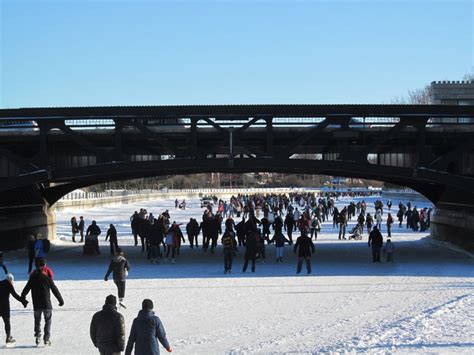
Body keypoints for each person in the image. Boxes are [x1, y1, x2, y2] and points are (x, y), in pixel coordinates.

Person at [21, 262, 64, 346]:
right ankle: (46, 339)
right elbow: (55, 290)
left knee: (37, 320)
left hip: (36, 305)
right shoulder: (47, 278)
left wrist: (23, 300)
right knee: (48, 321)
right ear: (44, 266)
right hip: (47, 304)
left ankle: (37, 336)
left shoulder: (32, 278)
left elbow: (25, 291)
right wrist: (60, 300)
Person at [0, 273, 28, 347]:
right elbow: (15, 295)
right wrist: (23, 301)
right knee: (7, 322)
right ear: (11, 280)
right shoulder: (9, 284)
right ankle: (8, 337)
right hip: (5, 307)